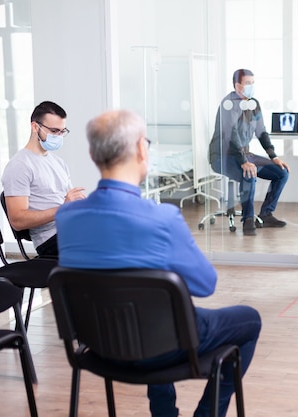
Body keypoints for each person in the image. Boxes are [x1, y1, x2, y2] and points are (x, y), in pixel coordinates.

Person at [55, 109, 262, 417]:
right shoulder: (161, 218)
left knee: (150, 311)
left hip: (98, 347)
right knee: (249, 319)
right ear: (142, 148)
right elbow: (206, 284)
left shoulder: (67, 217)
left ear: (92, 154)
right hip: (160, 348)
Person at [209, 68, 290, 236]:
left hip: (245, 154)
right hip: (223, 156)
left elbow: (261, 132)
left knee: (282, 172)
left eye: (253, 83)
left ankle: (266, 213)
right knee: (249, 173)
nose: (251, 87)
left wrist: (273, 156)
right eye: (247, 83)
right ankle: (247, 220)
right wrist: (244, 161)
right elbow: (231, 135)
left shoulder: (254, 104)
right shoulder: (228, 104)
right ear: (237, 86)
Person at [1, 101, 86, 258]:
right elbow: (17, 221)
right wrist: (63, 208)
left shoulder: (58, 163)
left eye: (62, 132)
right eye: (54, 131)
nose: (59, 136)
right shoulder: (19, 165)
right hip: (51, 240)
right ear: (35, 127)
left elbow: (69, 203)